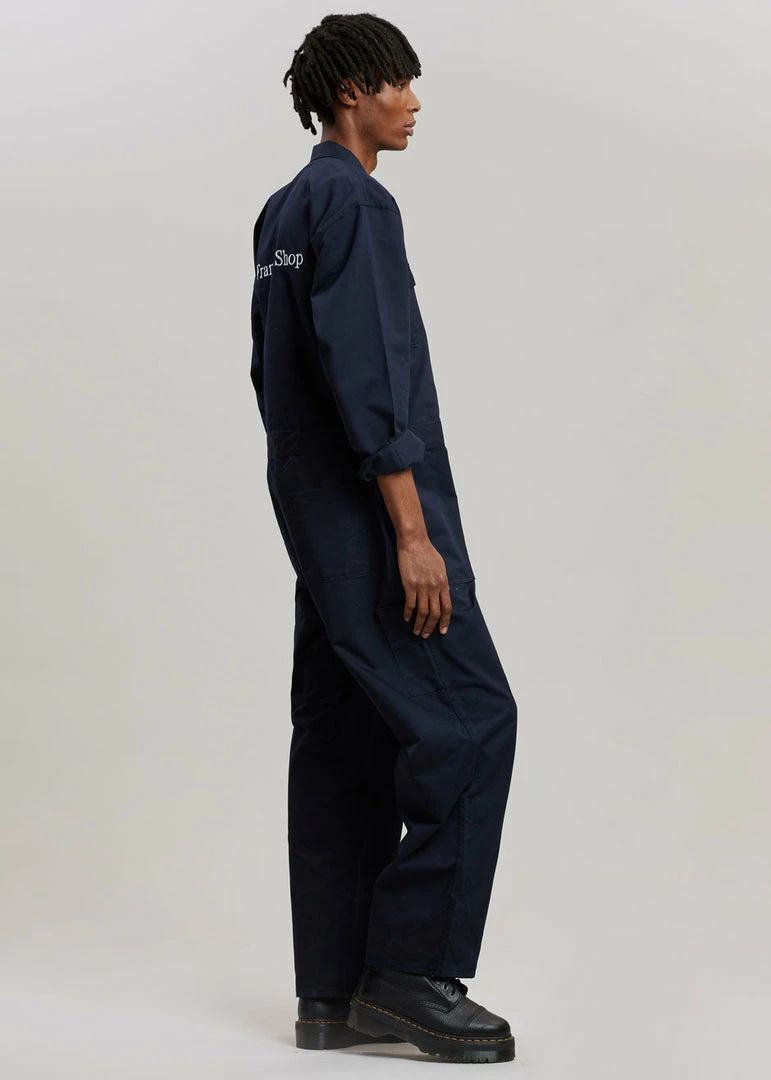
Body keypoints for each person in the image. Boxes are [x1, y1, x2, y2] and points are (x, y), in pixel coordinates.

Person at [249, 13, 518, 1064]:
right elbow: (368, 371)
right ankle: (409, 976)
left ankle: (331, 992)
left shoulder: (283, 209)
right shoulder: (358, 203)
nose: (412, 102)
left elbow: (276, 378)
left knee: (344, 735)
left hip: (315, 517)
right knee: (471, 721)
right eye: (397, 83)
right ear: (351, 93)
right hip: (372, 515)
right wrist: (412, 533)